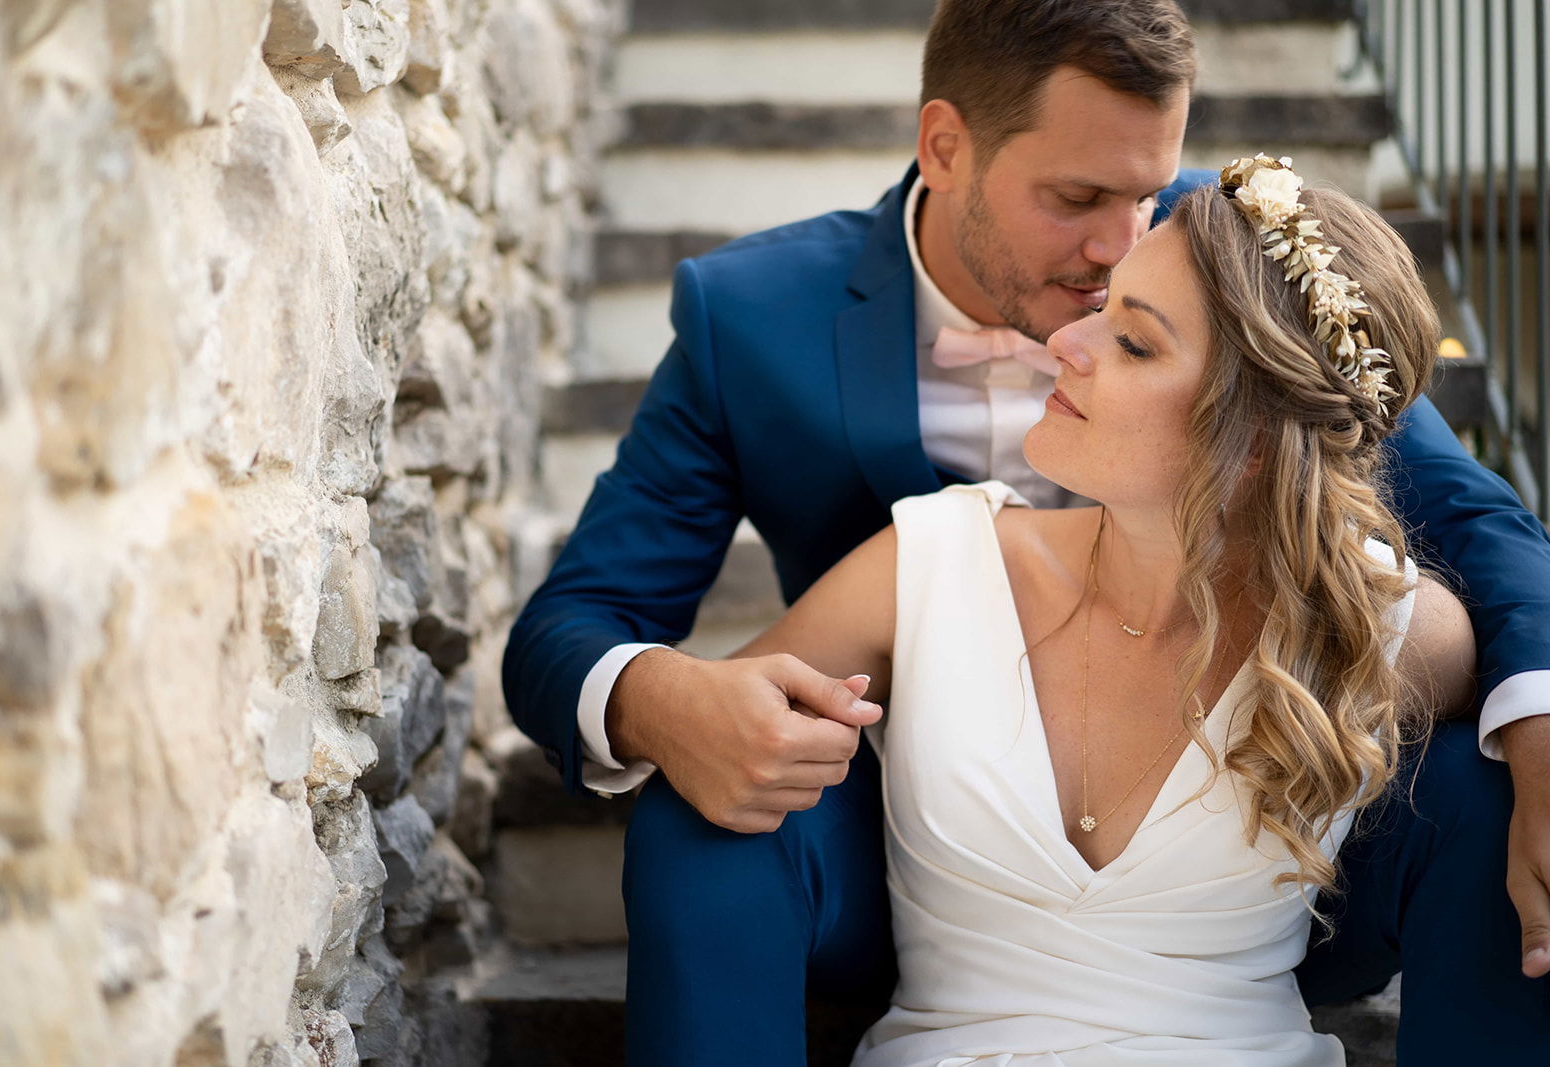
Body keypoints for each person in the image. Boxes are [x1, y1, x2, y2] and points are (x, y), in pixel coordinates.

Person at [502, 2, 1550, 1063]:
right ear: (945, 146)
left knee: (1484, 773)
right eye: (1078, 197)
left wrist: (1542, 719)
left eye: (1147, 191)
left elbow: (1463, 513)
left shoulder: (1217, 266)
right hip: (924, 849)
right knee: (707, 813)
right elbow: (576, 621)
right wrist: (662, 698)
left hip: (1257, 865)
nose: (1116, 245)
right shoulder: (755, 316)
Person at [726, 155, 1475, 1065]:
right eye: (1101, 309)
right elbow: (709, 731)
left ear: (1252, 443)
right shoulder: (933, 562)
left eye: (1135, 342)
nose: (1066, 345)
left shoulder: (1392, 635)